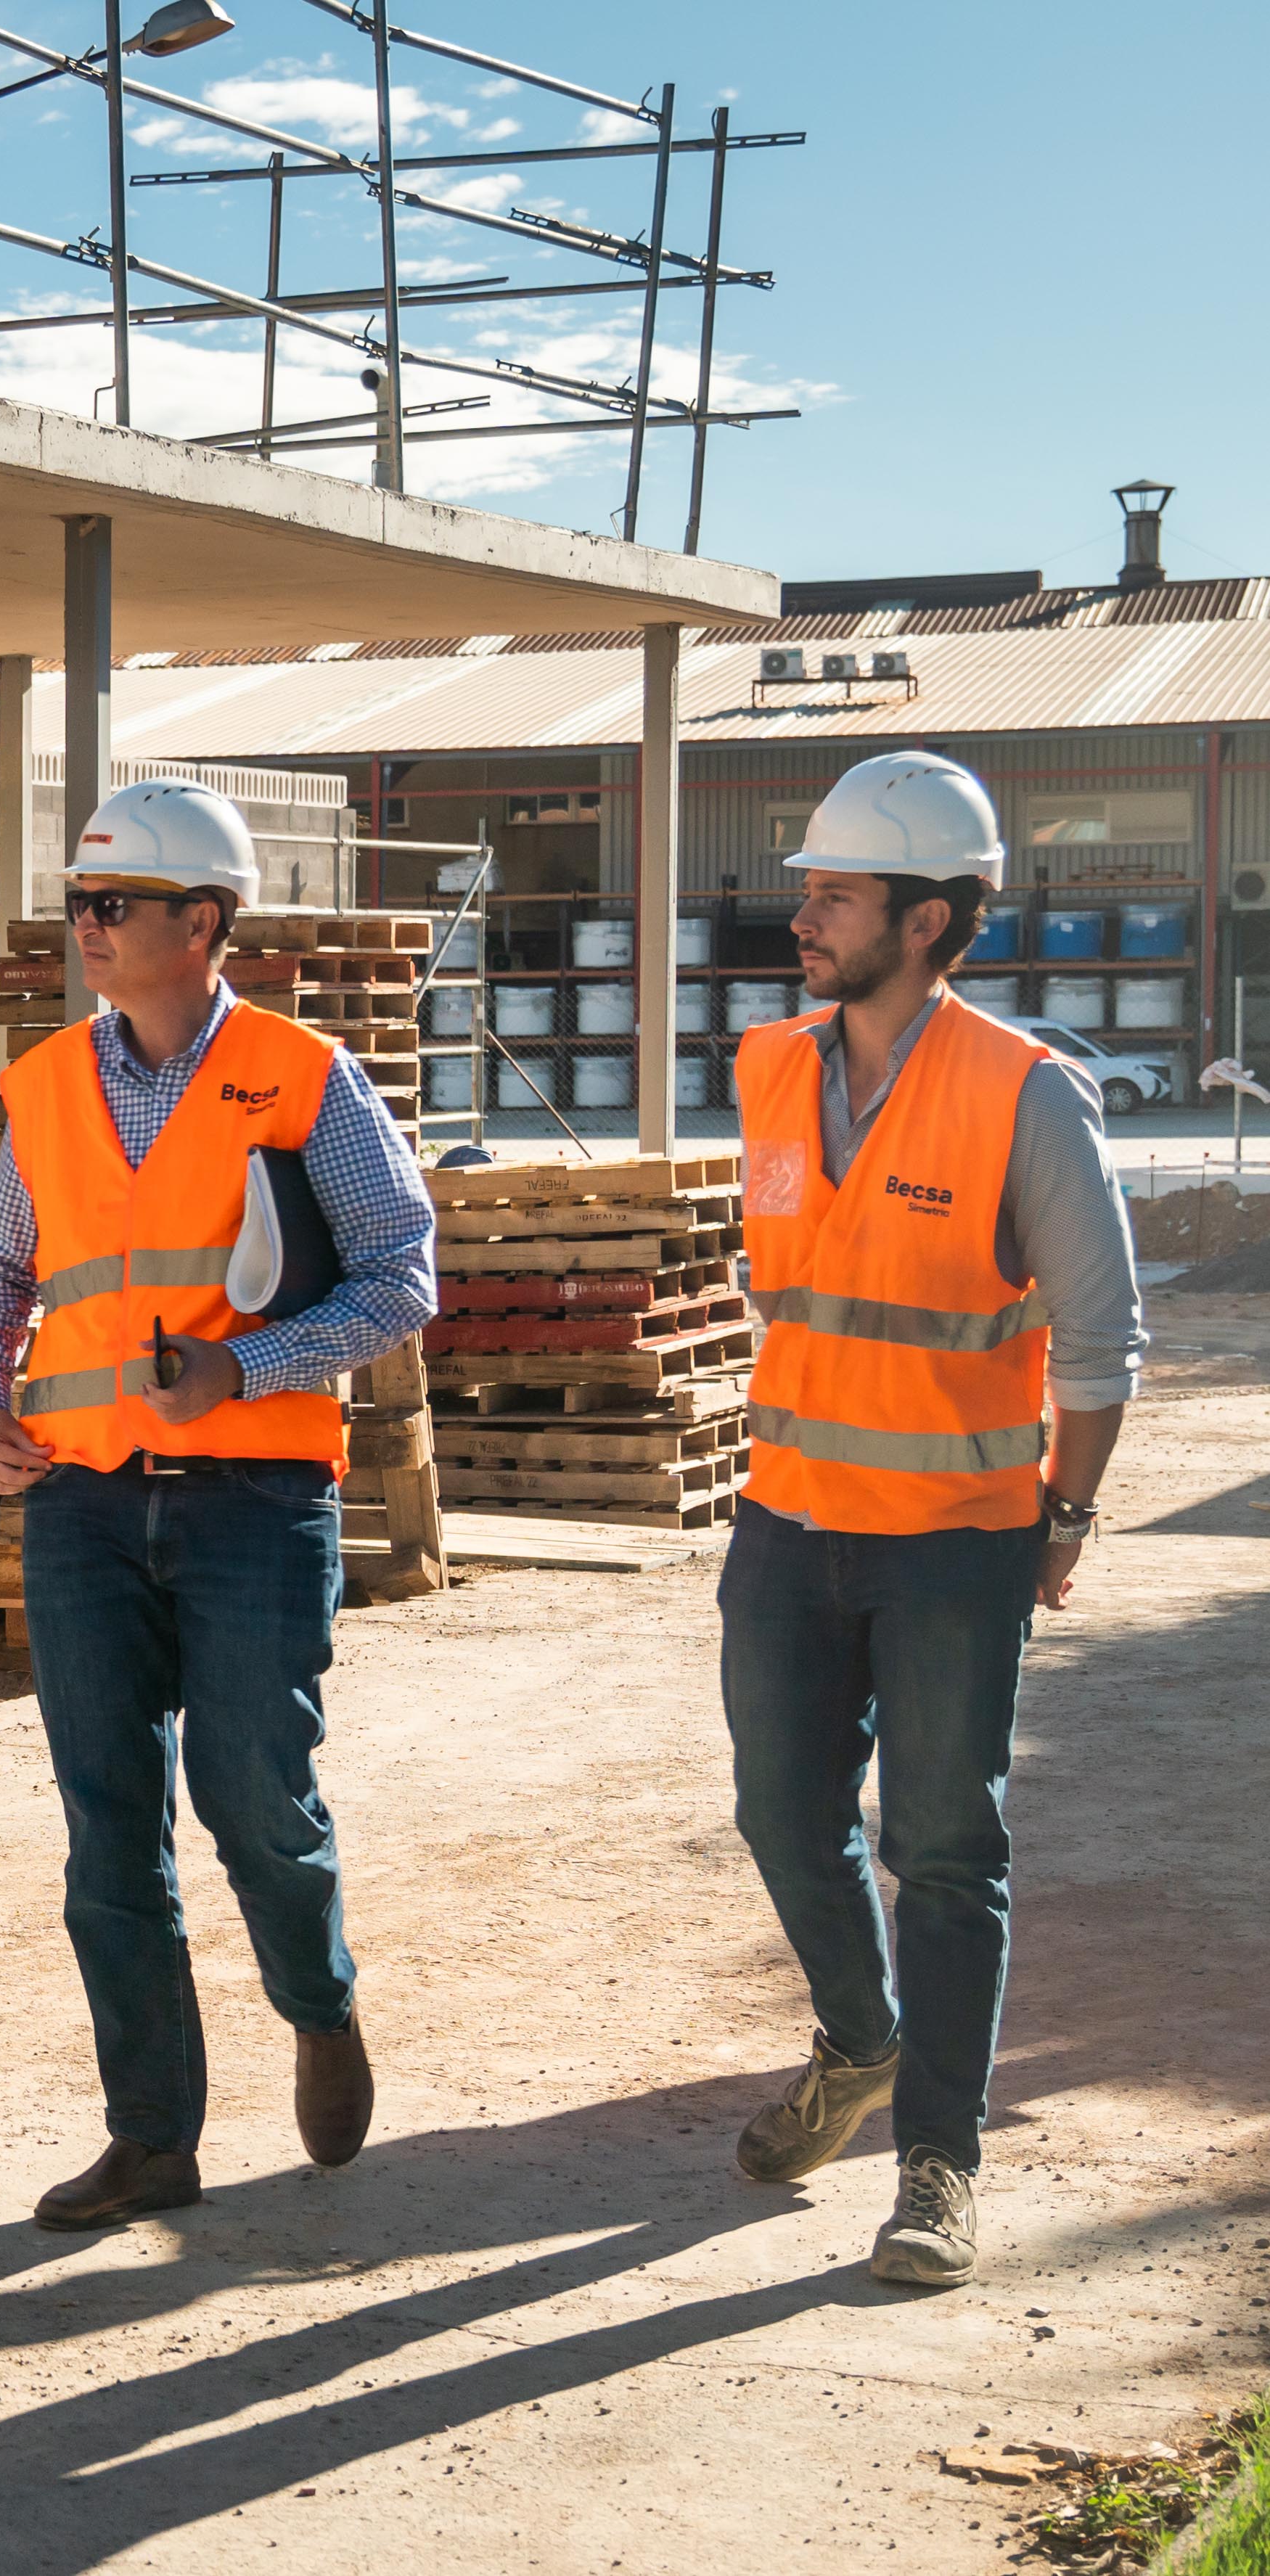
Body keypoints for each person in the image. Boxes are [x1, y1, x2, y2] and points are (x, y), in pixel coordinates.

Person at [0, 781, 438, 2232]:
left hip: (251, 1502)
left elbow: (399, 1270)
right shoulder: (43, 1086)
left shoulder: (302, 1075)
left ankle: (317, 1997)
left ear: (203, 923)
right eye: (77, 907)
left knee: (252, 1798)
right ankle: (152, 2135)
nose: (84, 928)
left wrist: (243, 1364)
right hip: (83, 1507)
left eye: (114, 906)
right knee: (107, 1830)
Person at [717, 750, 1142, 2290]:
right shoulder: (770, 1071)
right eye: (808, 889)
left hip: (957, 1537)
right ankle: (862, 2033)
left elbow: (1100, 1340)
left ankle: (937, 2167)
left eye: (833, 895)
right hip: (785, 1523)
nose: (802, 917)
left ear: (930, 917)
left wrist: (1067, 1513)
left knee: (946, 1850)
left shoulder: (1025, 1094)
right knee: (780, 1812)